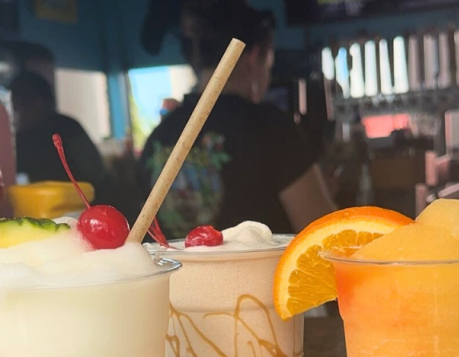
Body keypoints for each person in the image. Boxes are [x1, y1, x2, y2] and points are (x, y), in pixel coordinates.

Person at [138, 0, 335, 239]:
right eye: (269, 62)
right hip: (261, 276)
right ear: (253, 56)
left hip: (178, 277)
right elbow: (324, 236)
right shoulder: (273, 129)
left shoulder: (158, 137)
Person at [9, 72, 136, 221]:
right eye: (14, 107)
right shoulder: (18, 139)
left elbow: (96, 175)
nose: (17, 114)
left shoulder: (67, 129)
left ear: (40, 102)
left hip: (88, 212)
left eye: (21, 106)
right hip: (43, 218)